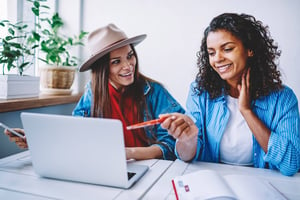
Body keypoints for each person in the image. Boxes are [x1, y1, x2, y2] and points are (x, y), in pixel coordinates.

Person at [4, 23, 185, 161]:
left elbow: (172, 144)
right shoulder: (93, 93)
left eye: (130, 56)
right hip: (104, 167)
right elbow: (76, 134)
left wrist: (127, 153)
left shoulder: (154, 92)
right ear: (102, 68)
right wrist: (39, 140)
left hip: (150, 169)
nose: (128, 66)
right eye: (116, 62)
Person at [160, 13, 300, 176]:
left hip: (262, 183)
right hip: (215, 181)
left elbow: (292, 164)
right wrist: (187, 139)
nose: (217, 59)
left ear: (250, 50)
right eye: (211, 53)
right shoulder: (200, 91)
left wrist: (246, 111)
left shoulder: (283, 98)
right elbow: (187, 157)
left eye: (227, 49)